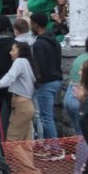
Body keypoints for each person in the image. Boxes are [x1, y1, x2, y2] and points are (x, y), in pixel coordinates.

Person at [0, 41, 41, 174]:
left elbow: (10, 76)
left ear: (20, 51)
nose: (10, 53)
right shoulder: (28, 63)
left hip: (21, 106)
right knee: (25, 143)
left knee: (12, 142)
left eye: (13, 50)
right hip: (26, 105)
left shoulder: (20, 62)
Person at [28, 12, 62, 142]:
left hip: (46, 83)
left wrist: (36, 82)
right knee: (48, 116)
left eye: (32, 23)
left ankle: (55, 148)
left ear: (36, 25)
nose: (31, 26)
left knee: (46, 117)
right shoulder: (54, 41)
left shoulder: (39, 44)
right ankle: (51, 146)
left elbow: (40, 66)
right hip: (56, 80)